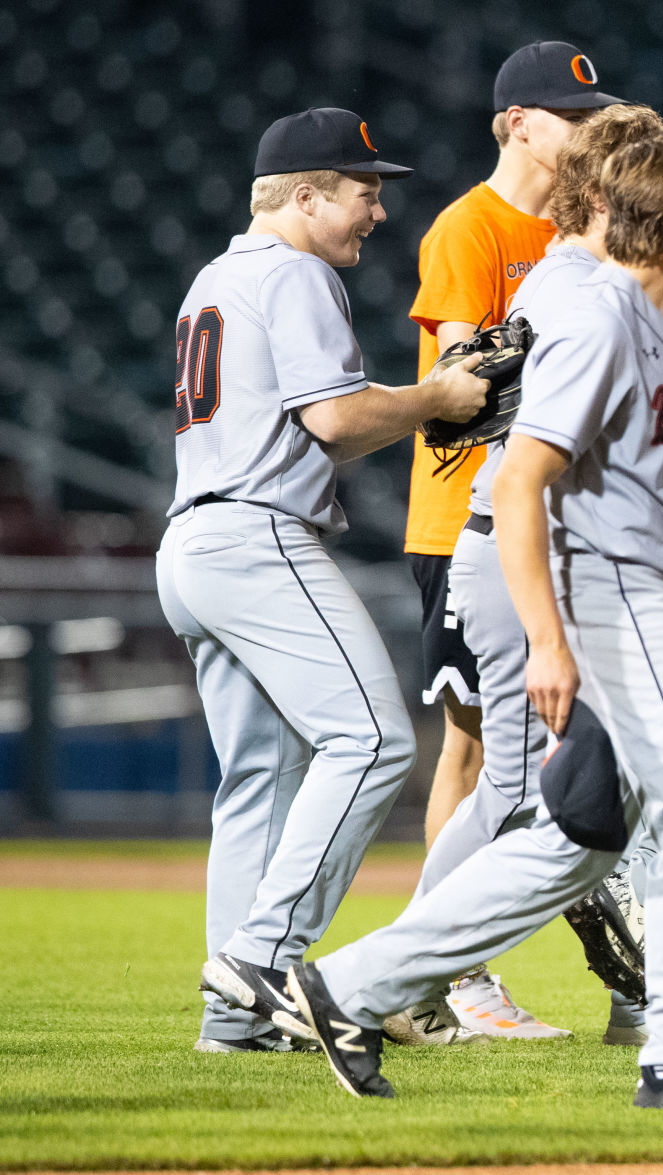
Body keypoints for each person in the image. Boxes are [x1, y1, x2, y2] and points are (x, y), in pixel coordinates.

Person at [288, 132, 663, 1112]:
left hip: (644, 583)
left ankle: (349, 987)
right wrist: (547, 637)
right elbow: (527, 479)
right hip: (611, 599)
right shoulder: (595, 319)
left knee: (572, 838)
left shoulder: (653, 322)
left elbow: (659, 479)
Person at [409, 105, 663, 1049]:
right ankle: (406, 971)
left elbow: (651, 411)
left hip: (548, 544)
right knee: (518, 793)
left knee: (567, 793)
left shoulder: (592, 279)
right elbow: (544, 445)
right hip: (524, 545)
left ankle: (631, 991)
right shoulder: (578, 285)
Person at [157, 107, 487, 1053]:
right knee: (378, 741)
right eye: (363, 190)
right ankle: (263, 961)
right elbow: (337, 421)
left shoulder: (215, 277)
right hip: (258, 537)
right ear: (304, 197)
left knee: (259, 777)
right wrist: (438, 396)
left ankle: (233, 1019)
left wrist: (420, 402)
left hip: (195, 544)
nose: (376, 210)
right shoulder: (295, 271)